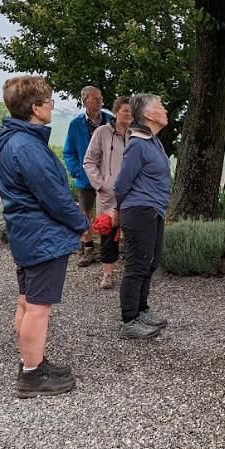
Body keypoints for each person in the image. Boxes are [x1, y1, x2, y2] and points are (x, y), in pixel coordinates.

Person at [0, 76, 90, 398]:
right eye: (49, 102)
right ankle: (31, 375)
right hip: (43, 237)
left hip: (28, 233)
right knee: (39, 308)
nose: (52, 107)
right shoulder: (27, 147)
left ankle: (33, 360)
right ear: (35, 108)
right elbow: (53, 197)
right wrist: (80, 223)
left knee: (27, 301)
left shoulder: (13, 140)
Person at [111, 93, 172, 340]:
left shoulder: (153, 141)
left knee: (150, 263)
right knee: (137, 266)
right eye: (160, 106)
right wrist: (119, 210)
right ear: (147, 114)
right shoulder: (137, 144)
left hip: (154, 210)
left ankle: (141, 310)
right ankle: (129, 320)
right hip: (139, 211)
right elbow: (121, 184)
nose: (165, 109)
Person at [83, 96, 133, 290]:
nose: (129, 114)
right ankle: (107, 274)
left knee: (133, 232)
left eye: (132, 111)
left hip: (133, 193)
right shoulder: (102, 132)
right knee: (108, 232)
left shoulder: (137, 134)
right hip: (109, 193)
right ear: (116, 111)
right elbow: (89, 161)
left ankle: (133, 273)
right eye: (125, 110)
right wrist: (101, 184)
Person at [63, 85, 114, 267]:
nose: (100, 101)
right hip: (85, 177)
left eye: (101, 98)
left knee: (110, 211)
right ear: (85, 101)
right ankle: (89, 249)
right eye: (96, 98)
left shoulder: (110, 120)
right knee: (85, 213)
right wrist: (77, 172)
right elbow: (68, 151)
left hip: (108, 176)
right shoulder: (76, 124)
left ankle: (109, 250)